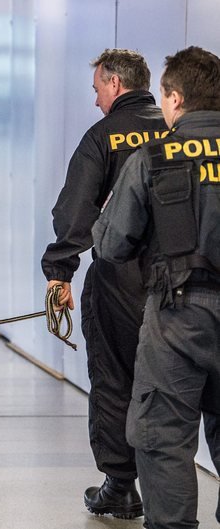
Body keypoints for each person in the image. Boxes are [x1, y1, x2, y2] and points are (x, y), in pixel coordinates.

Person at [93, 45, 220, 529]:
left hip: (178, 315)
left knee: (162, 435)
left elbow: (111, 244)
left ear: (175, 98)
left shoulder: (155, 156)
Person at [42, 49, 167, 518]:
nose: (96, 100)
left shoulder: (103, 135)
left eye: (97, 89)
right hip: (177, 281)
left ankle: (120, 485)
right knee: (170, 382)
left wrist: (59, 273)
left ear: (114, 84)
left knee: (114, 378)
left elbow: (76, 210)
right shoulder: (177, 130)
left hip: (119, 279)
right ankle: (168, 488)